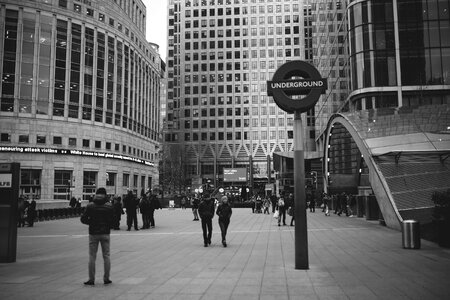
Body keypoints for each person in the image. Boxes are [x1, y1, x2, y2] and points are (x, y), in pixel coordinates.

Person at [80, 187, 114, 286]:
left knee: (92, 256)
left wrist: (91, 223)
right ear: (105, 195)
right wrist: (108, 225)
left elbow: (83, 219)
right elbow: (114, 220)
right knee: (106, 256)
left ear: (96, 194)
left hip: (93, 233)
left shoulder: (90, 206)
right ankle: (106, 278)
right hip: (105, 233)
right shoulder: (109, 206)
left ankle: (91, 279)